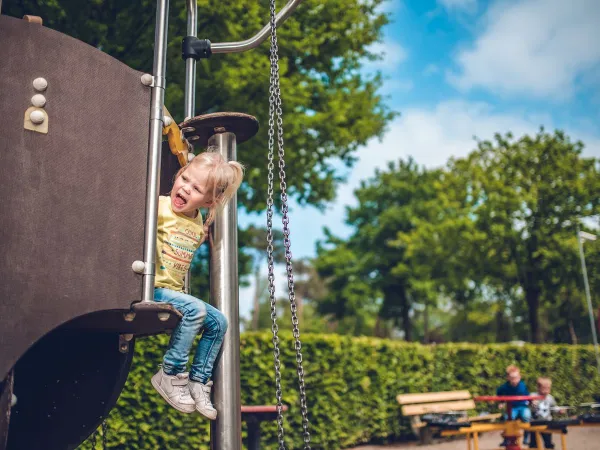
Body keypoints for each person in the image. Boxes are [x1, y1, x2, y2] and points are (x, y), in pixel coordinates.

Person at [150, 150, 244, 420]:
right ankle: (170, 373)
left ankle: (198, 380)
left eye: (196, 188)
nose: (185, 188)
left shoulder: (199, 221)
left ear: (210, 200)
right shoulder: (159, 206)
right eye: (185, 179)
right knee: (195, 310)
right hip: (152, 288)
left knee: (219, 323)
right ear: (178, 175)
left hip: (174, 292)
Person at [497, 365, 531, 446]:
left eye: (516, 378)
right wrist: (501, 402)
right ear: (508, 378)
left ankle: (526, 438)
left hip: (522, 406)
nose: (514, 380)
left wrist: (531, 401)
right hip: (512, 407)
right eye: (512, 378)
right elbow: (499, 393)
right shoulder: (505, 387)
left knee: (527, 416)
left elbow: (527, 395)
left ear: (519, 377)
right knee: (508, 418)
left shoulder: (522, 385)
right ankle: (506, 439)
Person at [529, 377, 557, 449]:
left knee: (548, 440)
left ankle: (549, 447)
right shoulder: (533, 396)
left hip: (547, 422)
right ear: (538, 388)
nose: (546, 391)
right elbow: (526, 404)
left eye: (548, 388)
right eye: (544, 388)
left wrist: (560, 410)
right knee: (533, 442)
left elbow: (554, 407)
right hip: (535, 422)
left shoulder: (550, 398)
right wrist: (531, 402)